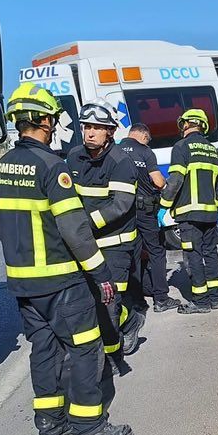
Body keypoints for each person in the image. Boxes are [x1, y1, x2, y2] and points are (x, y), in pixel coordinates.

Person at [0, 82, 132, 435]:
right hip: (61, 280)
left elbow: (0, 225)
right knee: (85, 348)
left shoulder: (2, 167)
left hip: (23, 283)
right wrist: (101, 274)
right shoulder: (52, 167)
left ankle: (49, 425)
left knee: (44, 350)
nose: (55, 125)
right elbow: (75, 231)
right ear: (43, 121)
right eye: (52, 119)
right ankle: (88, 427)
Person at [66, 99, 146, 371]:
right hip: (85, 243)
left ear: (110, 131)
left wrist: (84, 224)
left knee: (109, 302)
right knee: (89, 300)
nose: (90, 133)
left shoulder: (121, 162)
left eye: (97, 128)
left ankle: (113, 357)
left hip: (116, 245)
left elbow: (120, 205)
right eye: (86, 127)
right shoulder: (74, 157)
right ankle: (130, 321)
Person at [159, 109, 218, 314]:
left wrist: (164, 205)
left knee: (193, 255)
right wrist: (215, 206)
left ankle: (201, 301)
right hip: (210, 214)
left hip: (188, 214)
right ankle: (215, 298)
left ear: (187, 124)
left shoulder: (181, 147)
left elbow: (175, 181)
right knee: (211, 252)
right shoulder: (213, 150)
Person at [119, 123, 181, 313]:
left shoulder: (115, 150)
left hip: (123, 210)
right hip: (145, 210)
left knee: (135, 253)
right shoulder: (145, 152)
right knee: (156, 251)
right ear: (144, 136)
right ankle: (161, 298)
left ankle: (137, 301)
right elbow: (158, 182)